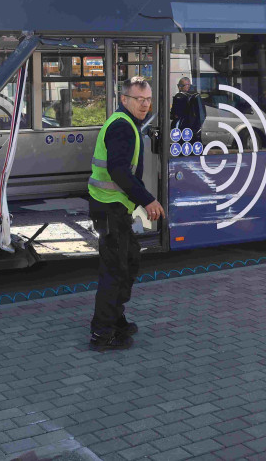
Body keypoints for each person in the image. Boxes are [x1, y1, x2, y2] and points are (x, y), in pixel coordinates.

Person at [87, 76, 165, 351]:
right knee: (115, 270)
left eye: (147, 100)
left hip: (113, 207)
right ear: (124, 100)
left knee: (128, 262)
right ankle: (102, 334)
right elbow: (119, 171)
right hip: (110, 208)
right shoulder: (122, 127)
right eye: (138, 99)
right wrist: (148, 200)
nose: (144, 105)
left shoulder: (127, 123)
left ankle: (116, 320)